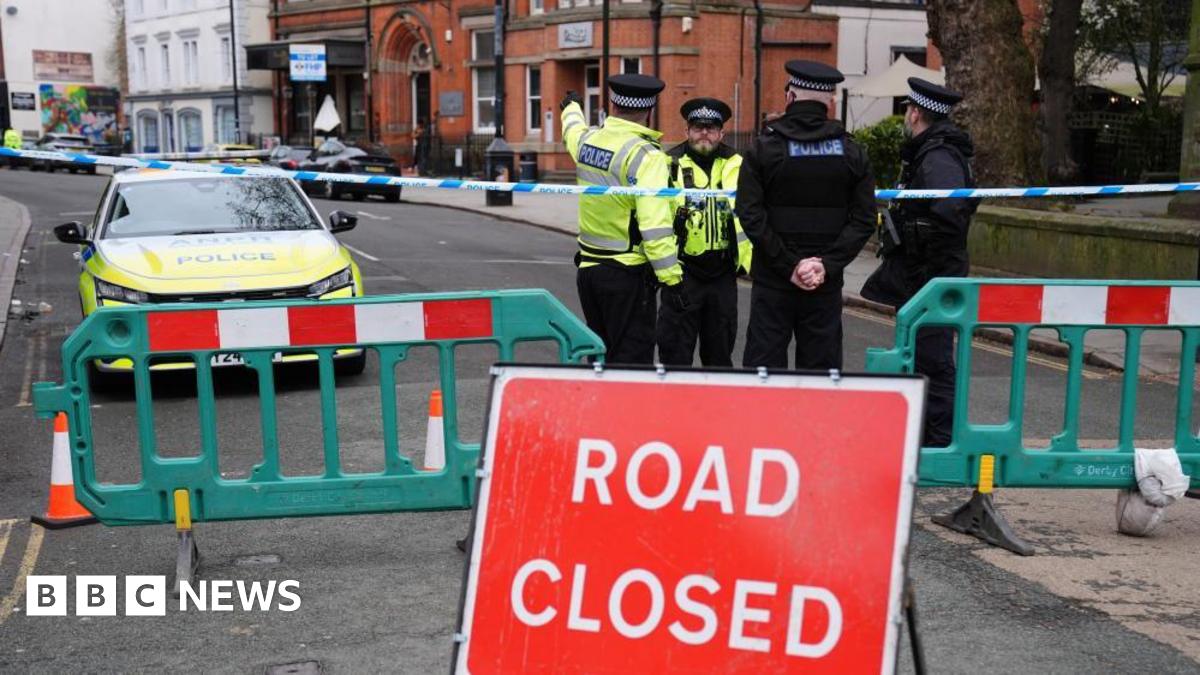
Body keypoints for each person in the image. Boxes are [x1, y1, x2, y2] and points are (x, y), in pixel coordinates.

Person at [736, 60, 876, 370]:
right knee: (820, 377)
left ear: (790, 98)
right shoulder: (853, 153)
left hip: (774, 281)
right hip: (823, 284)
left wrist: (788, 266)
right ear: (830, 102)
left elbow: (749, 214)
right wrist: (825, 265)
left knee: (764, 374)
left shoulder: (763, 149)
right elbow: (865, 219)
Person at [862, 77, 979, 447]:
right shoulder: (929, 151)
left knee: (933, 359)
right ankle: (923, 436)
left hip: (931, 277)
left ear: (914, 113)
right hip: (924, 276)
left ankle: (938, 441)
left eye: (907, 111)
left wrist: (920, 243)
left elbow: (950, 209)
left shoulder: (938, 155)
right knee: (920, 355)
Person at [560, 74, 683, 364]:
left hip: (588, 271)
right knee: (631, 364)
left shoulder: (589, 141)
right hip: (626, 275)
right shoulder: (646, 156)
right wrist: (672, 280)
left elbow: (572, 132)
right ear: (649, 112)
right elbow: (655, 226)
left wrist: (571, 108)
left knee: (600, 358)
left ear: (613, 105)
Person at [656, 97, 752, 367]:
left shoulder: (738, 163)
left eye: (711, 129)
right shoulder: (668, 163)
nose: (704, 134)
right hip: (682, 273)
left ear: (721, 133)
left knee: (720, 356)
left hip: (723, 274)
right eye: (698, 127)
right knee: (675, 355)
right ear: (687, 131)